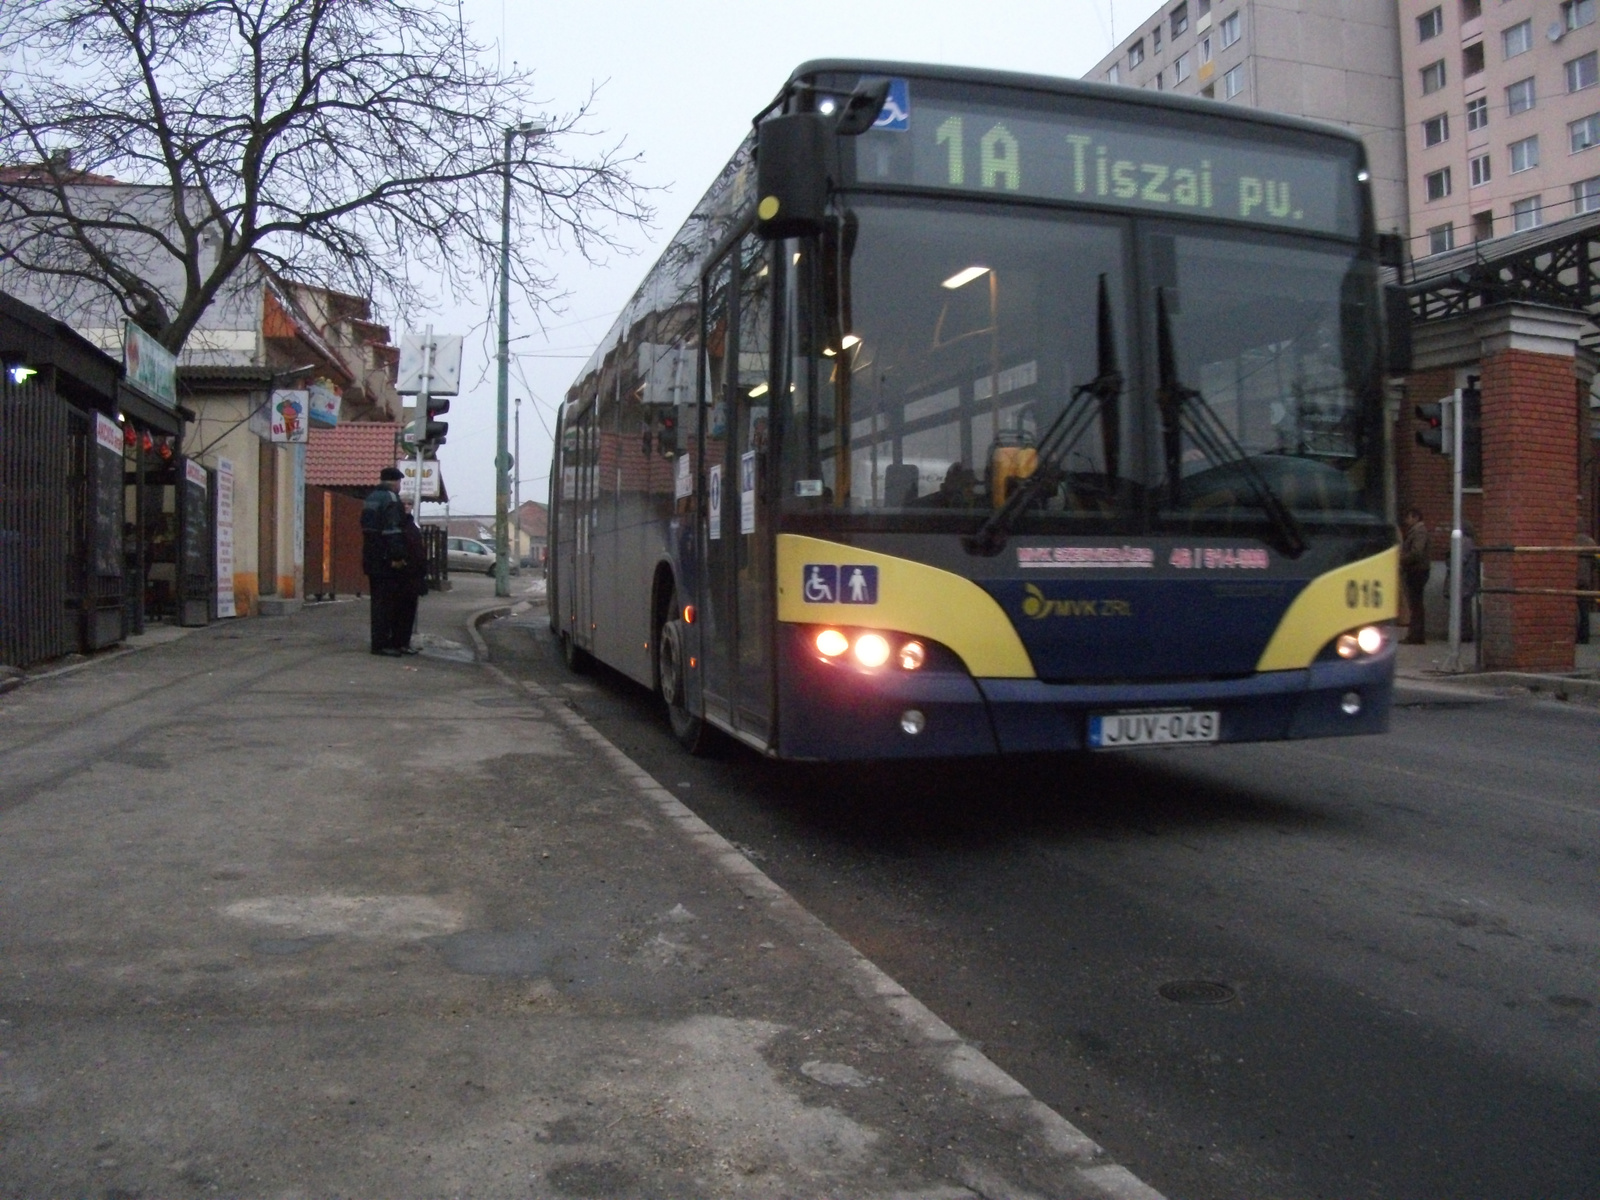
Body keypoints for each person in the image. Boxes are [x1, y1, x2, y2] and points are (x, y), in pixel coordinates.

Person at [360, 467, 407, 656]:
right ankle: (383, 643)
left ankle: (377, 641)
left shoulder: (370, 498)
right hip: (386, 557)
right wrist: (398, 556)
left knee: (377, 601)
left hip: (371, 554)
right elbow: (393, 529)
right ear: (395, 482)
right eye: (399, 483)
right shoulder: (391, 499)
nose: (400, 486)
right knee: (388, 602)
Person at [392, 498, 429, 655]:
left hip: (414, 573)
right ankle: (398, 642)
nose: (407, 506)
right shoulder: (398, 524)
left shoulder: (412, 524)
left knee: (409, 610)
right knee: (400, 610)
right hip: (402, 573)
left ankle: (404, 642)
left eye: (409, 504)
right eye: (404, 504)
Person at [1400, 507, 1431, 645]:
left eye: (1409, 517)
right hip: (1416, 570)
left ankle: (1416, 635)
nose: (1407, 521)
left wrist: (1402, 559)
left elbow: (1417, 552)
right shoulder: (1417, 531)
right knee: (1415, 604)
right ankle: (1415, 635)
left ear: (1415, 517)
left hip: (1417, 571)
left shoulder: (1419, 532)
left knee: (1415, 604)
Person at [1578, 532, 1597, 645]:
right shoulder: (1590, 542)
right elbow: (1596, 561)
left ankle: (1575, 636)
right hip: (1584, 580)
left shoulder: (1570, 541)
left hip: (1570, 579)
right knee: (1584, 610)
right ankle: (1584, 638)